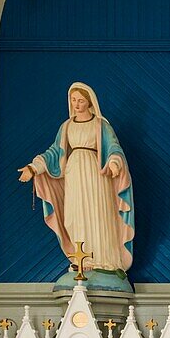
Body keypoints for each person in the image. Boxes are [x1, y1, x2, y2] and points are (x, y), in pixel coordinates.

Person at [18, 83, 134, 275]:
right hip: (73, 174)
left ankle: (104, 260)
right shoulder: (66, 126)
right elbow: (55, 151)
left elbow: (113, 147)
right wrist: (34, 167)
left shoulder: (100, 125)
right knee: (75, 214)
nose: (77, 104)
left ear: (89, 102)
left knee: (98, 213)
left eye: (81, 100)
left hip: (96, 173)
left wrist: (114, 163)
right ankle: (82, 259)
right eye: (74, 100)